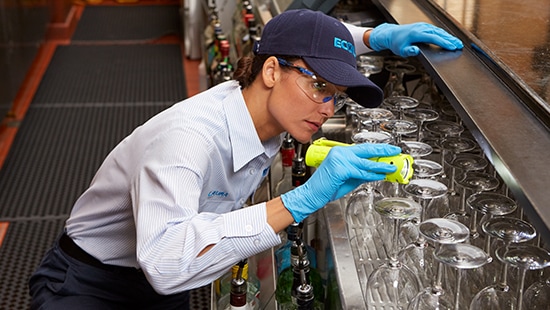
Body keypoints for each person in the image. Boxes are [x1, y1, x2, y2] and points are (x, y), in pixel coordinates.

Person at [28, 9, 463, 309]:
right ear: (271, 72)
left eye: (338, 97)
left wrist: (375, 37)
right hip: (90, 282)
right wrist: (297, 202)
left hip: (172, 283)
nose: (329, 109)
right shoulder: (188, 139)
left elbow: (301, 42)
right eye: (320, 89)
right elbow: (164, 262)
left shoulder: (265, 106)